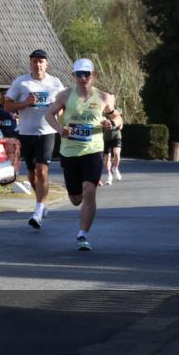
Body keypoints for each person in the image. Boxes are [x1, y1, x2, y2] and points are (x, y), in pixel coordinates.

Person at [44, 58, 122, 251]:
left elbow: (118, 118)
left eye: (86, 74)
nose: (83, 78)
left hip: (93, 150)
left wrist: (111, 123)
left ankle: (83, 234)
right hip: (70, 152)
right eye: (79, 74)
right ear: (74, 75)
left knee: (89, 190)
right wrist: (60, 129)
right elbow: (48, 114)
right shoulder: (65, 96)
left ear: (93, 75)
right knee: (75, 199)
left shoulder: (103, 97)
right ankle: (76, 192)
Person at [4, 49, 66, 230]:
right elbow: (7, 105)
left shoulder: (55, 83)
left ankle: (37, 213)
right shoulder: (21, 82)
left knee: (42, 170)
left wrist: (58, 110)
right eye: (35, 61)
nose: (38, 65)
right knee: (32, 174)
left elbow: (64, 104)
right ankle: (42, 203)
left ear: (47, 64)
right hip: (26, 132)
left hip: (47, 132)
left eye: (41, 61)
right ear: (30, 63)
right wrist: (25, 102)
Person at [102, 108, 124, 184]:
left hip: (116, 136)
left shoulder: (118, 116)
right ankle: (109, 175)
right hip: (106, 138)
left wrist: (116, 123)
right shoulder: (104, 116)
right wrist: (105, 123)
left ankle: (115, 168)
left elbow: (121, 127)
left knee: (116, 152)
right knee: (107, 156)